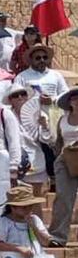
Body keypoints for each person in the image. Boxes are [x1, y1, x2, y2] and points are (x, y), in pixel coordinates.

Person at [5, 85, 52, 195]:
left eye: (23, 94)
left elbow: (47, 140)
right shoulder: (6, 116)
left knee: (36, 199)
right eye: (15, 95)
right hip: (14, 164)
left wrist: (45, 126)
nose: (20, 97)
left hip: (36, 161)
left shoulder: (40, 113)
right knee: (17, 200)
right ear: (10, 100)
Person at [49, 88, 78, 246]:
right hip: (66, 159)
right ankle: (58, 236)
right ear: (70, 102)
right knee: (63, 198)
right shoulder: (62, 119)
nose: (77, 100)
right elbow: (59, 140)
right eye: (74, 98)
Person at [13, 44, 69, 117]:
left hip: (53, 117)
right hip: (30, 119)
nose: (42, 60)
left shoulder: (56, 75)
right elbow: (16, 99)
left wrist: (52, 100)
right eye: (38, 58)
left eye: (44, 57)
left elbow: (65, 94)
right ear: (31, 60)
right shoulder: (21, 77)